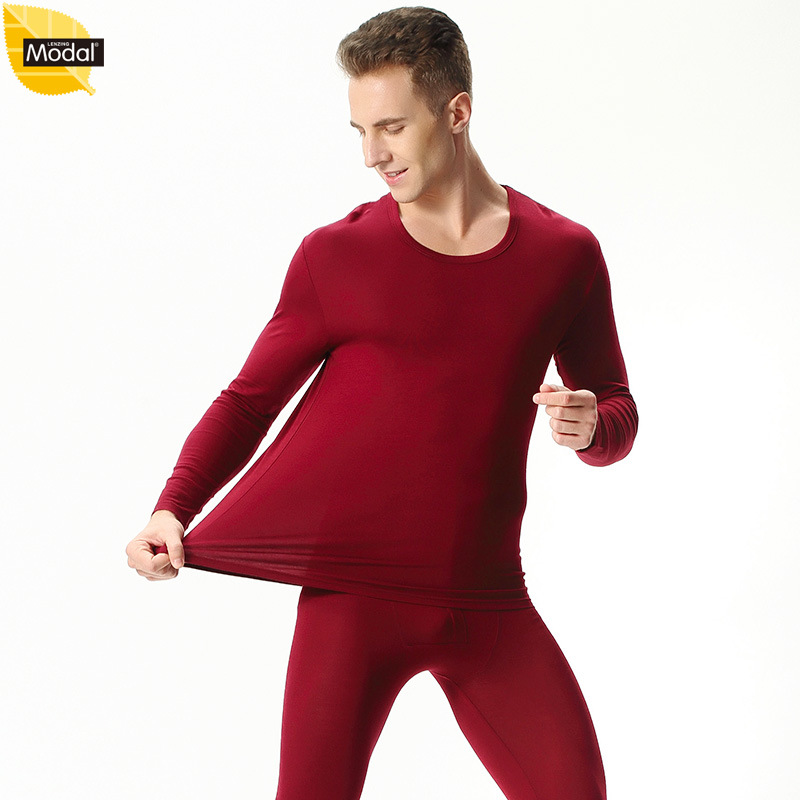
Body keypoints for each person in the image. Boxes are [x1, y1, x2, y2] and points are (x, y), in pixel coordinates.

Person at [125, 7, 638, 799]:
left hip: (491, 601)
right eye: (360, 131)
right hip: (351, 603)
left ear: (457, 111)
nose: (372, 155)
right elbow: (249, 402)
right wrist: (172, 507)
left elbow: (617, 412)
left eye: (392, 127)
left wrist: (591, 426)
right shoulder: (338, 255)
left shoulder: (562, 253)